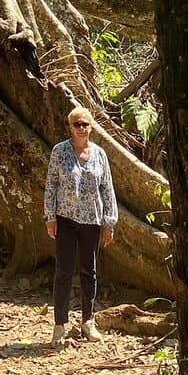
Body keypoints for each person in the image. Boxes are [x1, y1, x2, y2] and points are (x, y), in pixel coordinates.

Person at [44, 106, 117, 345]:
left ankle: (88, 321)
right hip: (65, 219)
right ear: (70, 127)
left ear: (92, 126)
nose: (82, 128)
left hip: (91, 220)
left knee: (89, 271)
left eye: (85, 124)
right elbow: (51, 185)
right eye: (77, 124)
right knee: (64, 272)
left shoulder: (99, 155)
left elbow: (107, 189)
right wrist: (50, 217)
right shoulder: (59, 152)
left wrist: (109, 222)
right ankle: (59, 325)